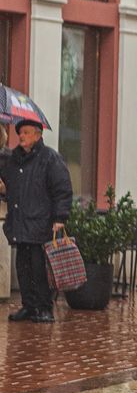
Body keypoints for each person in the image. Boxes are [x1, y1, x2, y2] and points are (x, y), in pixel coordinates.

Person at [0, 120, 73, 323]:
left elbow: (62, 189)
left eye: (26, 132)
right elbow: (11, 187)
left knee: (39, 268)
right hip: (19, 223)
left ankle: (44, 307)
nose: (21, 136)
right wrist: (5, 190)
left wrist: (60, 218)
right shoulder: (13, 160)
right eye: (20, 132)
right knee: (22, 267)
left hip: (40, 223)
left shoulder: (50, 158)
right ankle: (29, 306)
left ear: (37, 135)